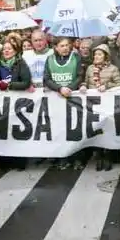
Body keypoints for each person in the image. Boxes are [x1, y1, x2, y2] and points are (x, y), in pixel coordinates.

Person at [0, 37, 33, 171]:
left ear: (15, 51)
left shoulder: (21, 63)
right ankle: (5, 161)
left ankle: (19, 161)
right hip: (2, 102)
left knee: (17, 131)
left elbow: (26, 82)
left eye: (9, 49)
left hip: (17, 102)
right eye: (4, 49)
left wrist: (9, 85)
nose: (6, 51)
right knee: (4, 131)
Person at [44, 37, 85, 169]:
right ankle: (62, 157)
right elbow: (46, 78)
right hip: (57, 99)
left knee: (75, 129)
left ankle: (77, 158)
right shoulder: (50, 59)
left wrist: (70, 88)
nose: (65, 48)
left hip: (73, 98)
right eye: (62, 46)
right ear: (56, 47)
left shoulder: (76, 57)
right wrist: (59, 88)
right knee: (59, 130)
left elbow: (80, 76)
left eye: (67, 45)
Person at [82, 44, 120, 171]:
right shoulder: (90, 68)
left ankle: (109, 156)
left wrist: (107, 86)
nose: (96, 56)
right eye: (95, 54)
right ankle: (99, 155)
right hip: (93, 105)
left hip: (108, 105)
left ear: (106, 56)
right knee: (97, 130)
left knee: (108, 129)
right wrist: (83, 86)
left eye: (99, 54)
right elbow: (86, 81)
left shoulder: (113, 69)